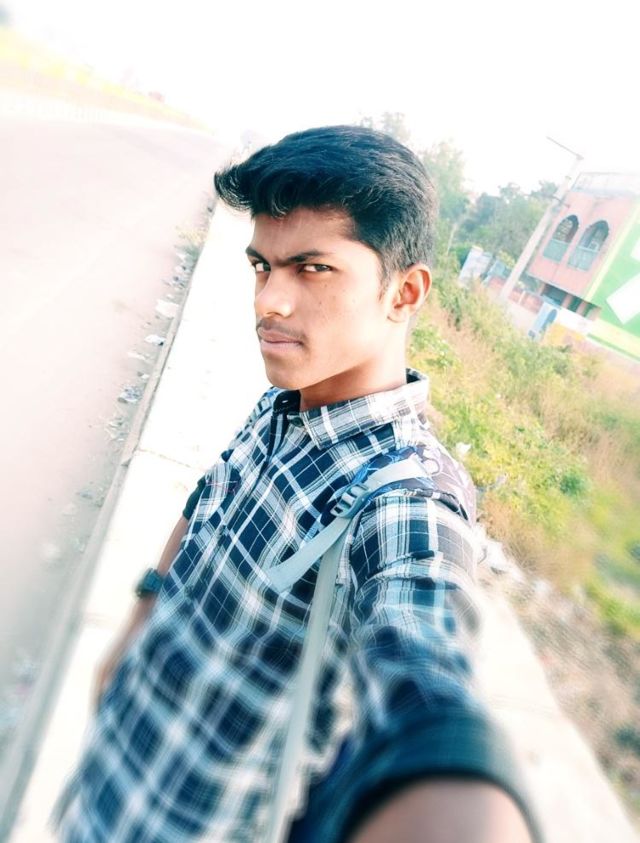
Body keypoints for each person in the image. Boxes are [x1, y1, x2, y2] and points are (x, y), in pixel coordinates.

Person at [53, 125, 540, 843]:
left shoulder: (402, 498)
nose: (269, 302)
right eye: (262, 266)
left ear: (404, 292)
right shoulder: (287, 401)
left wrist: (456, 781)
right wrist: (142, 614)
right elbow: (208, 501)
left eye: (312, 269)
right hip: (112, 782)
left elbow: (424, 678)